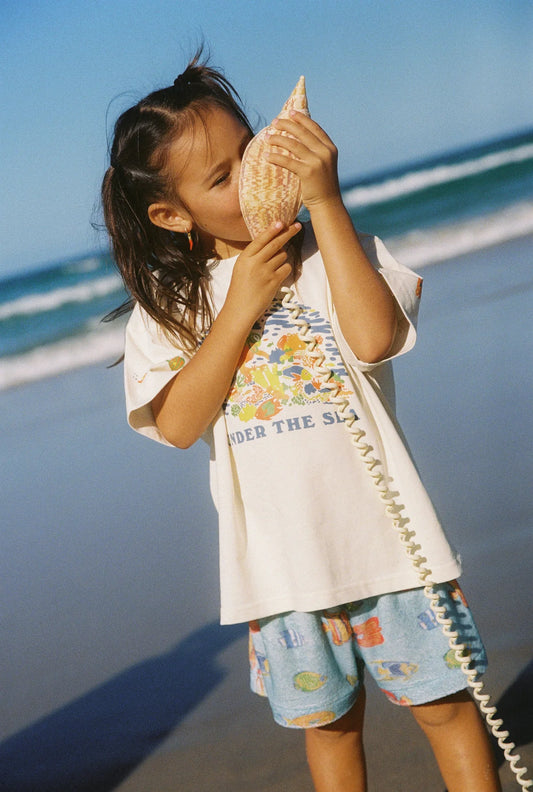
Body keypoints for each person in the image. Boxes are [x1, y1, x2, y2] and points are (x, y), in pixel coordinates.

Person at [101, 51, 501, 792]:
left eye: (248, 150)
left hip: (391, 550)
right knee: (329, 732)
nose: (248, 175)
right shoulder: (170, 309)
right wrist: (239, 307)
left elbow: (375, 339)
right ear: (170, 213)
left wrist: (327, 206)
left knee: (447, 708)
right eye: (219, 179)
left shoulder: (333, 251)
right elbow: (179, 423)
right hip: (282, 574)